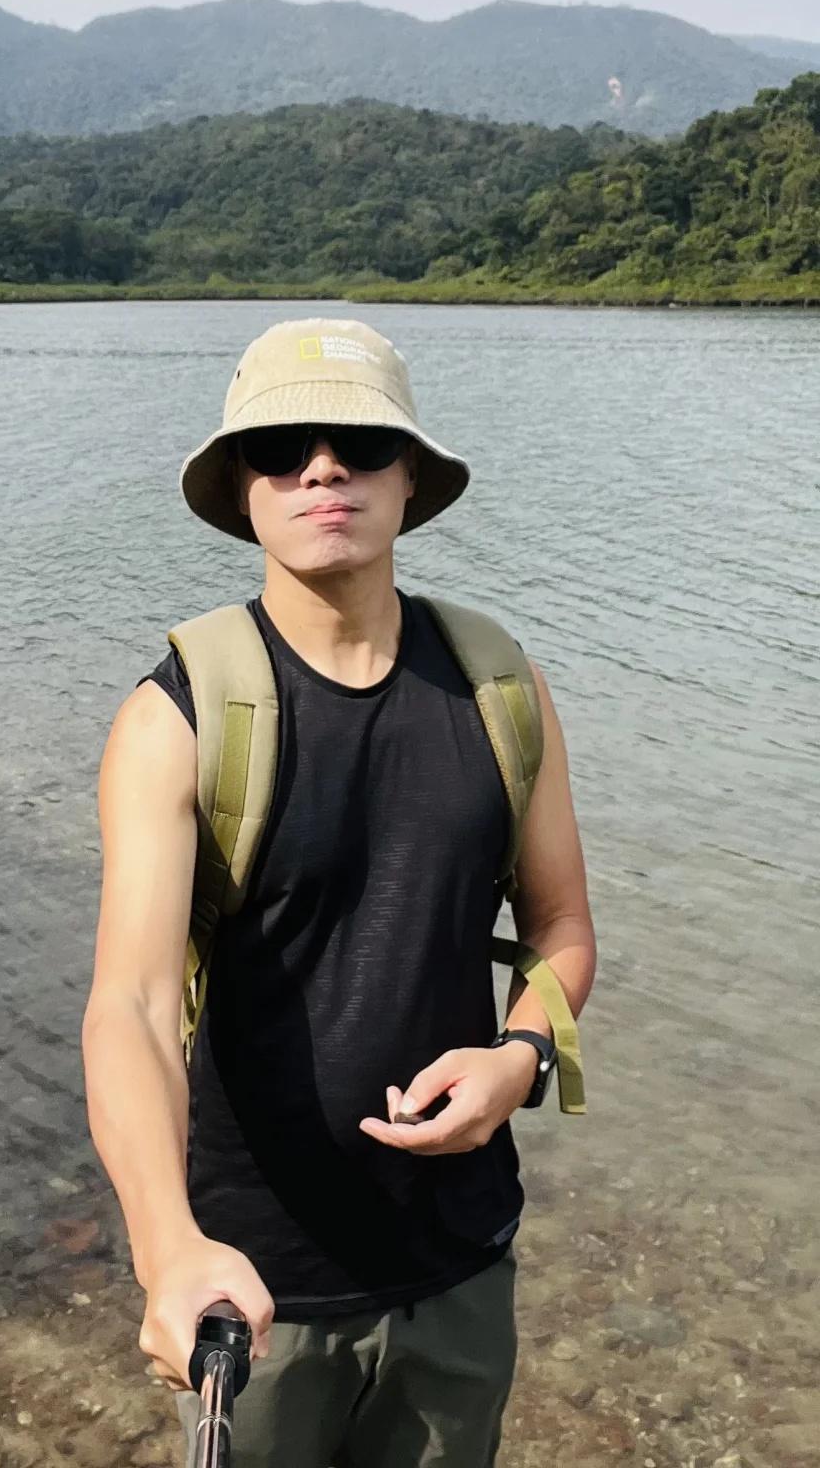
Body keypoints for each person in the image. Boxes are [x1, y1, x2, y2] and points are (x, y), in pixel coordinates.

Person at [82, 316, 597, 1468]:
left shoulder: (501, 685)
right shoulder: (177, 717)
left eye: (361, 442)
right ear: (245, 490)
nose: (324, 468)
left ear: (410, 476)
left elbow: (562, 925)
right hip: (256, 1284)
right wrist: (168, 1249)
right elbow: (131, 1005)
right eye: (282, 448)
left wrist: (519, 1057)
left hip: (461, 1261)